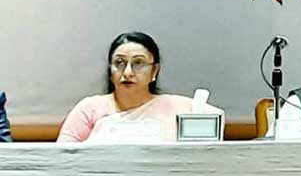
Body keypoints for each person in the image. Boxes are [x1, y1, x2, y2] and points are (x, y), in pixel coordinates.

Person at [57, 32, 223, 143]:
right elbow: (62, 160)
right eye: (119, 63)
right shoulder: (89, 109)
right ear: (110, 70)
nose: (128, 72)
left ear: (154, 71)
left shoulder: (182, 108)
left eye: (138, 63)